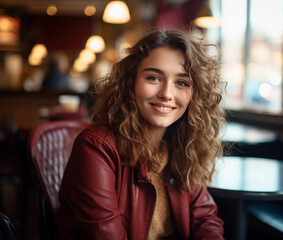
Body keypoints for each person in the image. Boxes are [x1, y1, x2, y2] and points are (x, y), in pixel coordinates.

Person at [55, 29, 225, 240]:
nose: (166, 94)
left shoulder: (184, 145)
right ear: (131, 83)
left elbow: (205, 218)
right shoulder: (96, 147)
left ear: (194, 94)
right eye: (153, 78)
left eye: (181, 83)